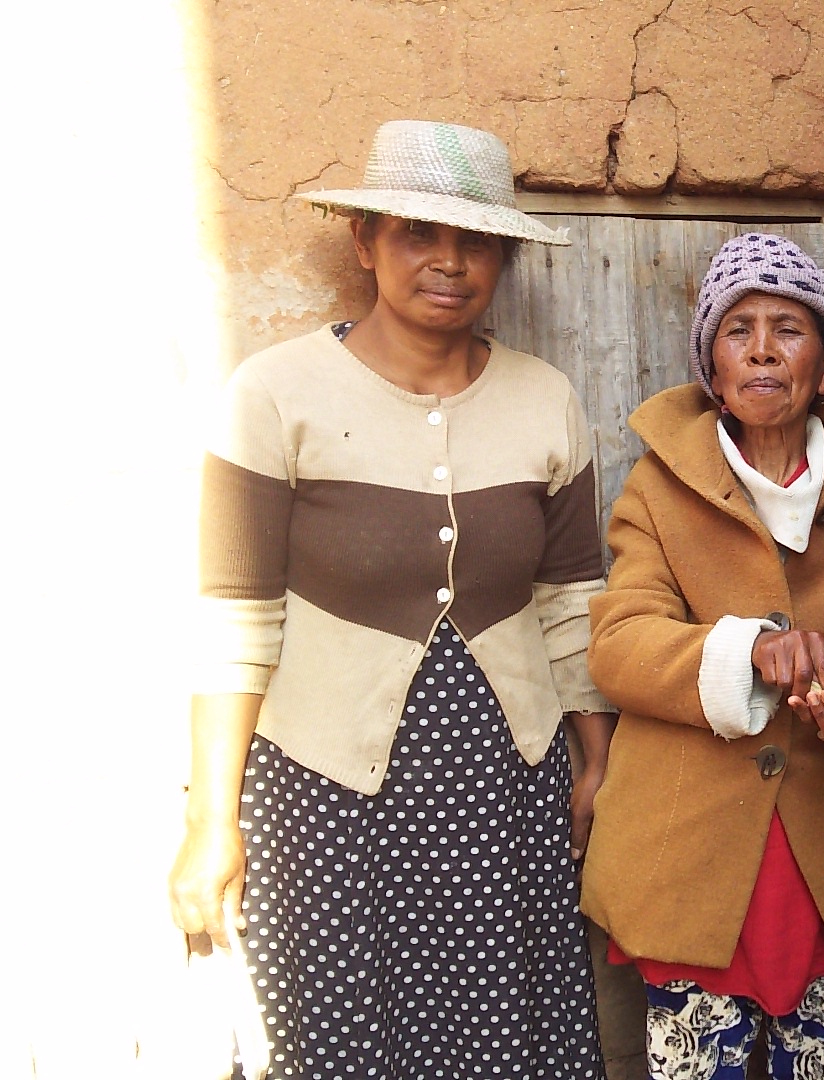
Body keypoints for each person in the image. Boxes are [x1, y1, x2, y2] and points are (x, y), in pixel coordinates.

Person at [168, 120, 611, 1077]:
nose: (450, 262)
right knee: (344, 1037)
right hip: (326, 796)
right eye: (417, 234)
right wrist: (212, 822)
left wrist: (594, 763)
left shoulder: (547, 400)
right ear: (364, 242)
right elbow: (235, 623)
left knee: (504, 1028)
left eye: (477, 241)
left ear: (503, 259)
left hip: (505, 792)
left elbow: (572, 601)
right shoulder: (274, 395)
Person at [581, 233, 824, 1080]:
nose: (764, 350)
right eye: (739, 330)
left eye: (790, 328)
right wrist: (748, 650)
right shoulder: (657, 490)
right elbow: (622, 642)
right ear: (712, 364)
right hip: (691, 852)